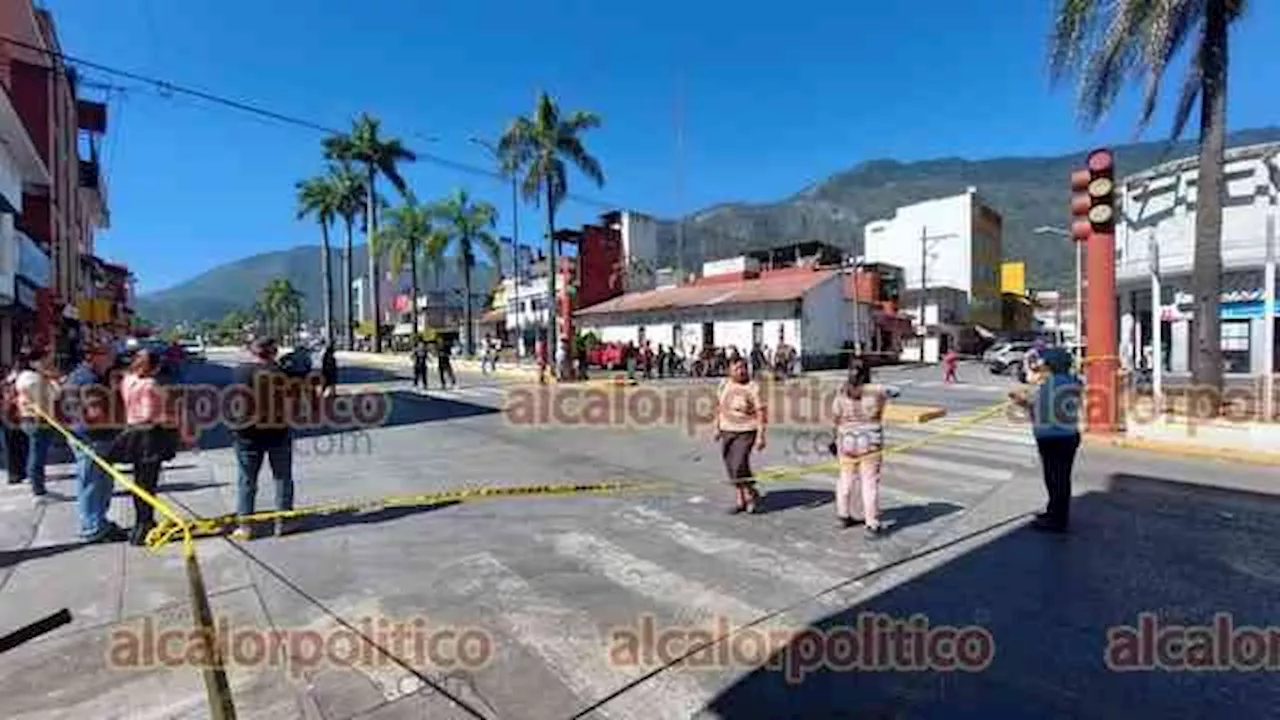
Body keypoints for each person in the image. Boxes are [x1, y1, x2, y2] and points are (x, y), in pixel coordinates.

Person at [115, 348, 195, 545]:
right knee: (147, 482)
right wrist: (175, 420)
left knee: (140, 482)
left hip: (132, 431)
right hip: (148, 436)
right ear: (155, 367)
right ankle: (144, 524)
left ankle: (142, 522)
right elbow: (150, 415)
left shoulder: (127, 379)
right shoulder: (150, 385)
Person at [61, 343, 130, 542]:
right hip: (93, 439)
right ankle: (92, 527)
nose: (112, 356)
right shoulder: (88, 379)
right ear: (93, 356)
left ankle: (98, 521)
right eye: (108, 353)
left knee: (99, 483)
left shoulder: (84, 376)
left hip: (90, 436)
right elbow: (96, 414)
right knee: (94, 484)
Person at [1009, 347, 1082, 533]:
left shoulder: (1052, 385)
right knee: (1061, 478)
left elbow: (1039, 411)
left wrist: (1020, 402)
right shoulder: (1073, 381)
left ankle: (1056, 519)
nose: (1044, 366)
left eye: (1047, 363)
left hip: (1053, 438)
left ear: (1052, 365)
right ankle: (1055, 513)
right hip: (1068, 435)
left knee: (1054, 479)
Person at [229, 337, 296, 541]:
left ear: (253, 351)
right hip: (277, 431)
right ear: (273, 352)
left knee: (246, 480)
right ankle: (284, 521)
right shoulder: (281, 373)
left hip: (247, 433)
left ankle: (245, 525)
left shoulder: (240, 372)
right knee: (282, 477)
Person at [830, 359, 897, 536]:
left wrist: (833, 438)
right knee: (869, 482)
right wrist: (873, 386)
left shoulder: (841, 391)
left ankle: (843, 515)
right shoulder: (876, 392)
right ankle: (871, 521)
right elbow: (896, 391)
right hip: (870, 442)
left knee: (845, 479)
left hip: (846, 440)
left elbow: (836, 417)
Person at [714, 357, 767, 514]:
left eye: (743, 368)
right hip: (726, 429)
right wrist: (716, 427)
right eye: (737, 368)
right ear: (729, 370)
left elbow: (761, 412)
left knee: (738, 464)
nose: (741, 371)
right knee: (731, 466)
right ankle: (741, 498)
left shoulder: (753, 387)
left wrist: (761, 436)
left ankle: (750, 495)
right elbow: (719, 407)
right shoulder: (724, 385)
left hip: (746, 430)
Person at [15, 347, 60, 504]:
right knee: (37, 455)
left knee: (35, 453)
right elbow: (54, 394)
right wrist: (52, 380)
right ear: (35, 362)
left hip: (30, 418)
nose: (49, 363)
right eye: (45, 360)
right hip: (38, 420)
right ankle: (38, 490)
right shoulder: (34, 379)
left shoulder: (25, 377)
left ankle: (36, 484)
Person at [3, 362, 28, 485]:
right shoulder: (14, 383)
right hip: (12, 417)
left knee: (14, 447)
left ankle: (18, 472)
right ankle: (16, 473)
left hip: (12, 417)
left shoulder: (9, 383)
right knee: (14, 447)